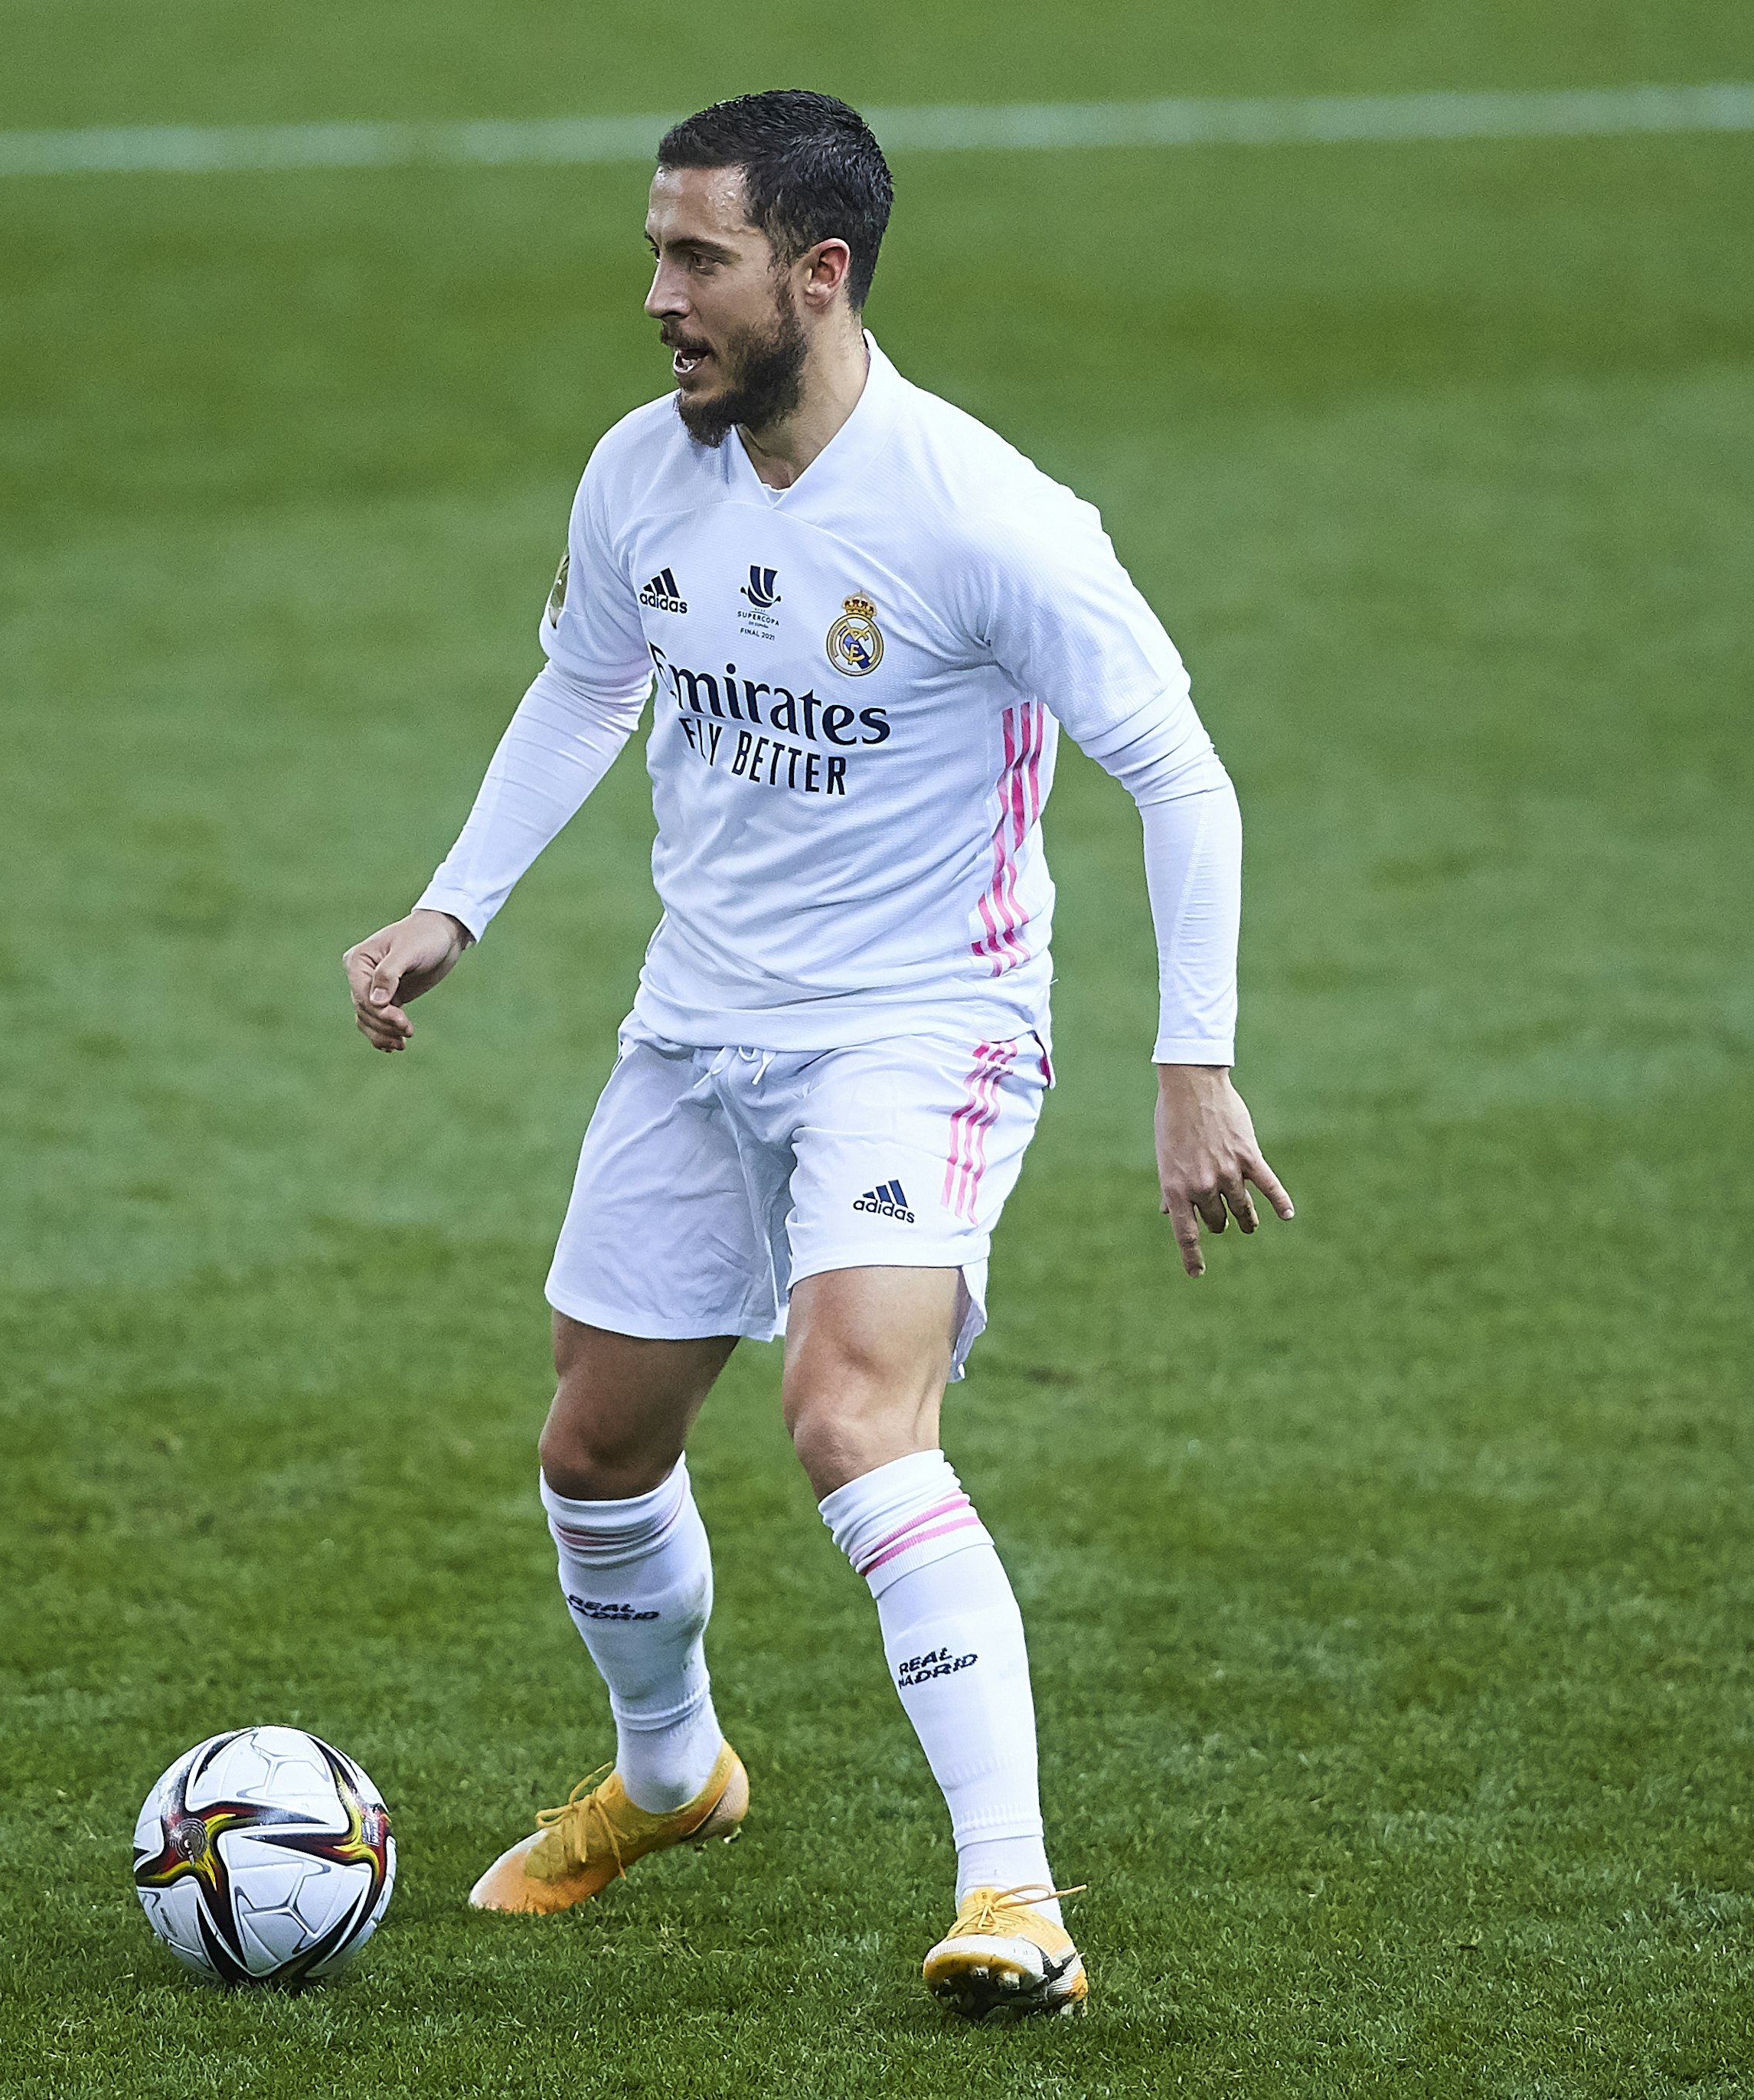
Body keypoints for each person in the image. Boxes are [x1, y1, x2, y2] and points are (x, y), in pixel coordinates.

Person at [338, 88, 1291, 2020]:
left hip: (924, 1024)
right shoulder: (641, 474)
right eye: (655, 254)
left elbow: (1181, 774)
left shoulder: (983, 514)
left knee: (851, 1414)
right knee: (597, 1446)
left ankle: (1015, 1897)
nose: (662, 297)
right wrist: (460, 904)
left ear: (821, 273)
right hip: (698, 1020)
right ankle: (675, 1773)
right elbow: (589, 678)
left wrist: (1194, 1063)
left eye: (700, 258)